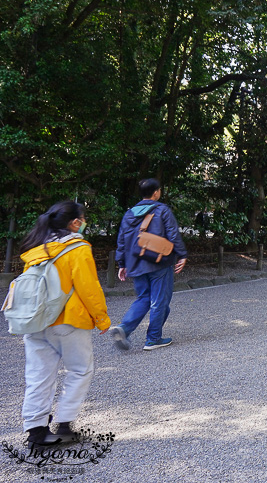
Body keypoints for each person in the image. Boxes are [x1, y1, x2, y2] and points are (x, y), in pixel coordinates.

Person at [15, 201, 110, 446]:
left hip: (36, 321)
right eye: (83, 218)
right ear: (75, 223)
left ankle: (36, 433)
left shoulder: (37, 249)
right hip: (68, 321)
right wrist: (102, 319)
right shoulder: (78, 248)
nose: (85, 222)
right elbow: (89, 289)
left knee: (38, 375)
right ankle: (65, 425)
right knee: (80, 370)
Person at [108, 178, 187, 352]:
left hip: (135, 262)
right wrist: (182, 254)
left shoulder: (129, 214)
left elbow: (121, 240)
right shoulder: (162, 210)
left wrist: (122, 263)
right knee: (159, 300)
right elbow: (173, 234)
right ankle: (153, 339)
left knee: (144, 298)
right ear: (156, 192)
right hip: (158, 262)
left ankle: (124, 329)